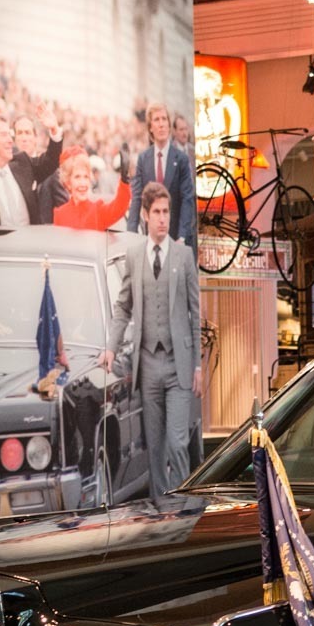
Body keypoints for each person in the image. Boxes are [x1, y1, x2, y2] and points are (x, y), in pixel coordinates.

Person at [104, 183, 202, 500]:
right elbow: (123, 306)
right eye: (157, 212)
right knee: (155, 446)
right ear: (145, 215)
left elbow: (195, 313)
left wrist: (198, 366)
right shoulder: (134, 256)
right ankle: (162, 507)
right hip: (147, 365)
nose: (163, 218)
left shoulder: (184, 256)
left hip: (178, 365)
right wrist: (111, 347)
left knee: (177, 442)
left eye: (166, 212)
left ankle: (182, 505)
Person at [129, 103, 196, 245]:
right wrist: (131, 234)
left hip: (176, 238)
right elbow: (136, 198)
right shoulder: (143, 159)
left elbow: (187, 198)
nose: (161, 124)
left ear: (169, 125)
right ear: (150, 127)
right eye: (157, 120)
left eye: (164, 119)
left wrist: (182, 236)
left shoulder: (182, 159)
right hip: (151, 239)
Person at [52, 149, 132, 232]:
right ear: (68, 182)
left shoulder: (97, 211)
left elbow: (119, 207)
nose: (83, 183)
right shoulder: (59, 214)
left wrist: (124, 180)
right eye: (77, 177)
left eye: (86, 177)